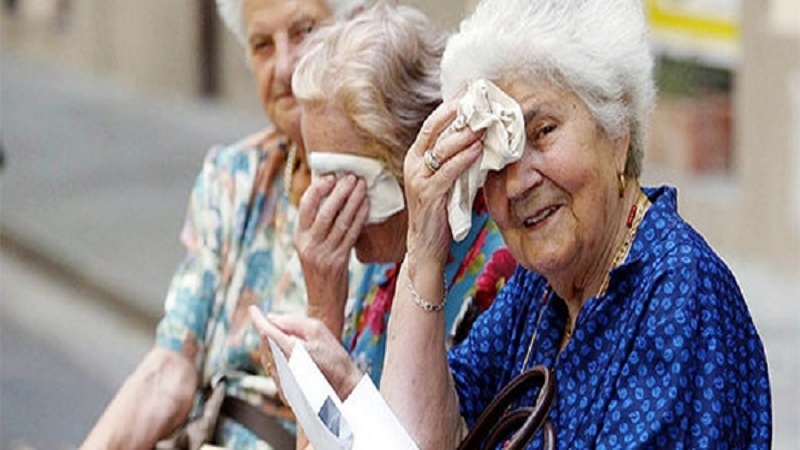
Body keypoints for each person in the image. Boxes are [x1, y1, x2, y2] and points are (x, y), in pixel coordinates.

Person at [258, 0, 773, 448]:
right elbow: (425, 440)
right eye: (495, 154)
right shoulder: (539, 291)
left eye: (544, 131)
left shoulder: (680, 290)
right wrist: (424, 250)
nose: (518, 181)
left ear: (617, 132)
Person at [81, 0, 368, 449]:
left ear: (359, 30)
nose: (284, 66)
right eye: (262, 45)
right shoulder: (234, 176)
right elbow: (170, 370)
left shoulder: (388, 209)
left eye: (305, 32)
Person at [288, 1, 515, 392]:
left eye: (345, 180)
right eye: (318, 176)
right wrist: (322, 312)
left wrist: (323, 322)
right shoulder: (382, 253)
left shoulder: (499, 274)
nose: (326, 202)